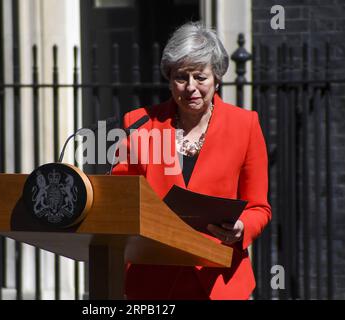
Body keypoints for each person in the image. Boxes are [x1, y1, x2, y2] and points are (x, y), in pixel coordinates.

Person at [111, 21, 272, 300]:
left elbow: (259, 208)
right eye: (181, 77)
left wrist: (240, 227)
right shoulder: (140, 125)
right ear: (169, 78)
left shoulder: (245, 125)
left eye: (200, 77)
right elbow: (121, 199)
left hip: (219, 280)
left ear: (217, 78)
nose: (191, 88)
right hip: (154, 280)